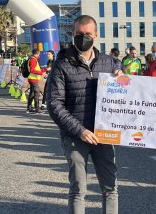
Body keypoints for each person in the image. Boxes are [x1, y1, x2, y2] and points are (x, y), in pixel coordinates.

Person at [47, 15, 120, 213]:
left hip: (104, 135)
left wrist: (122, 80)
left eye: (87, 34)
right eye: (79, 34)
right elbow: (54, 104)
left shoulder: (108, 62)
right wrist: (79, 131)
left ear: (95, 35)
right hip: (75, 136)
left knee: (111, 188)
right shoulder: (62, 64)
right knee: (78, 190)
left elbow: (123, 93)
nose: (83, 37)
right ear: (73, 35)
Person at [26, 49, 44, 114]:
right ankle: (37, 108)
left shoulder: (32, 59)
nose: (39, 55)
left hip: (32, 78)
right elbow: (32, 70)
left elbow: (35, 69)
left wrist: (44, 70)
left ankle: (29, 107)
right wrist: (40, 72)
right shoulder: (33, 59)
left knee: (32, 93)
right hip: (33, 79)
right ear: (37, 54)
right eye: (39, 54)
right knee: (36, 93)